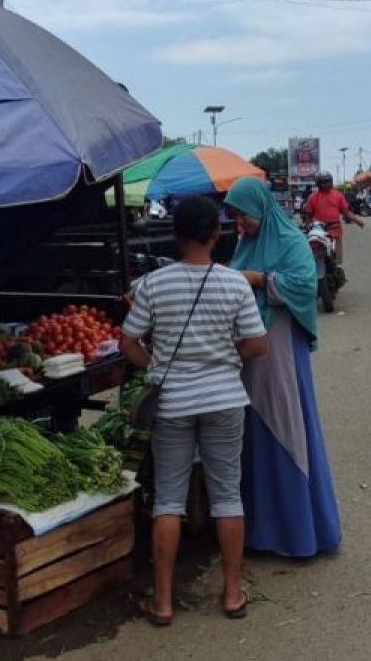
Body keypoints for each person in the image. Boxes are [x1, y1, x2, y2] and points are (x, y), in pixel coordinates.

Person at [120, 195, 269, 626]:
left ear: (176, 234)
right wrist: (224, 361)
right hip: (225, 399)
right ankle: (232, 594)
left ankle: (163, 603)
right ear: (217, 234)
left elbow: (128, 344)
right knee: (227, 496)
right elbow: (258, 343)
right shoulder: (235, 283)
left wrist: (159, 366)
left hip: (173, 402)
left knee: (168, 498)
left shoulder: (154, 284)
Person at [224, 177, 342, 557]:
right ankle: (260, 532)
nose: (240, 223)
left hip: (279, 347)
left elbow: (305, 284)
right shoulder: (246, 243)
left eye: (243, 214)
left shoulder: (290, 240)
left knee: (285, 424)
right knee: (254, 430)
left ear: (260, 207)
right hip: (249, 349)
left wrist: (257, 279)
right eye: (236, 216)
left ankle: (297, 533)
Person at [303, 172, 364, 264]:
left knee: (337, 261)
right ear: (319, 183)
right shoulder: (313, 197)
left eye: (328, 181)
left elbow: (347, 212)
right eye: (324, 182)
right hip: (319, 232)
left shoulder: (338, 195)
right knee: (313, 256)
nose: (327, 184)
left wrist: (358, 221)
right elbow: (308, 215)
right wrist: (308, 226)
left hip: (335, 231)